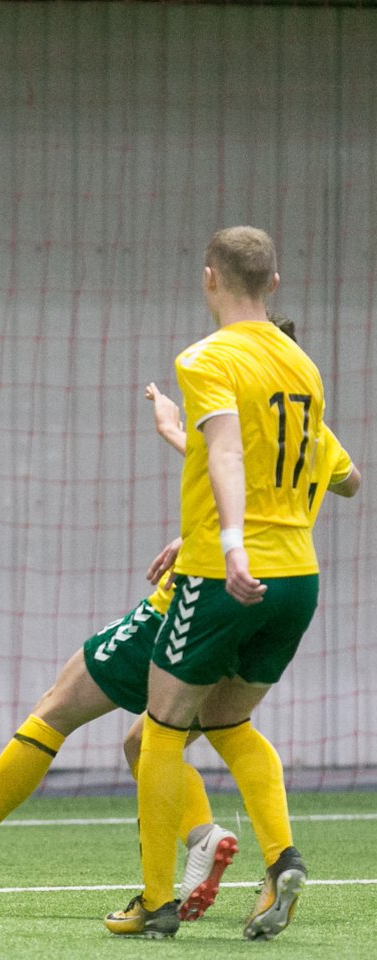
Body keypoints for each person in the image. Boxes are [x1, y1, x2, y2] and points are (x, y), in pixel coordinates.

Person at [0, 348, 357, 926]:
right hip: (284, 587)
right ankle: (242, 848)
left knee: (63, 706)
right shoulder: (307, 425)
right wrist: (184, 451)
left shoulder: (234, 397)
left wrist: (182, 457)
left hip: (202, 594)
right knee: (186, 732)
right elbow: (343, 479)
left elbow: (231, 462)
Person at [107, 226, 360, 941]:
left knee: (158, 733)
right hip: (298, 579)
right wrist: (180, 439)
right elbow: (345, 479)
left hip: (226, 576)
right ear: (273, 283)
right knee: (227, 722)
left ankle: (157, 902)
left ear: (209, 277)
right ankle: (282, 859)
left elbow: (224, 449)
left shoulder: (206, 357)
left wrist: (228, 541)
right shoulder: (303, 367)